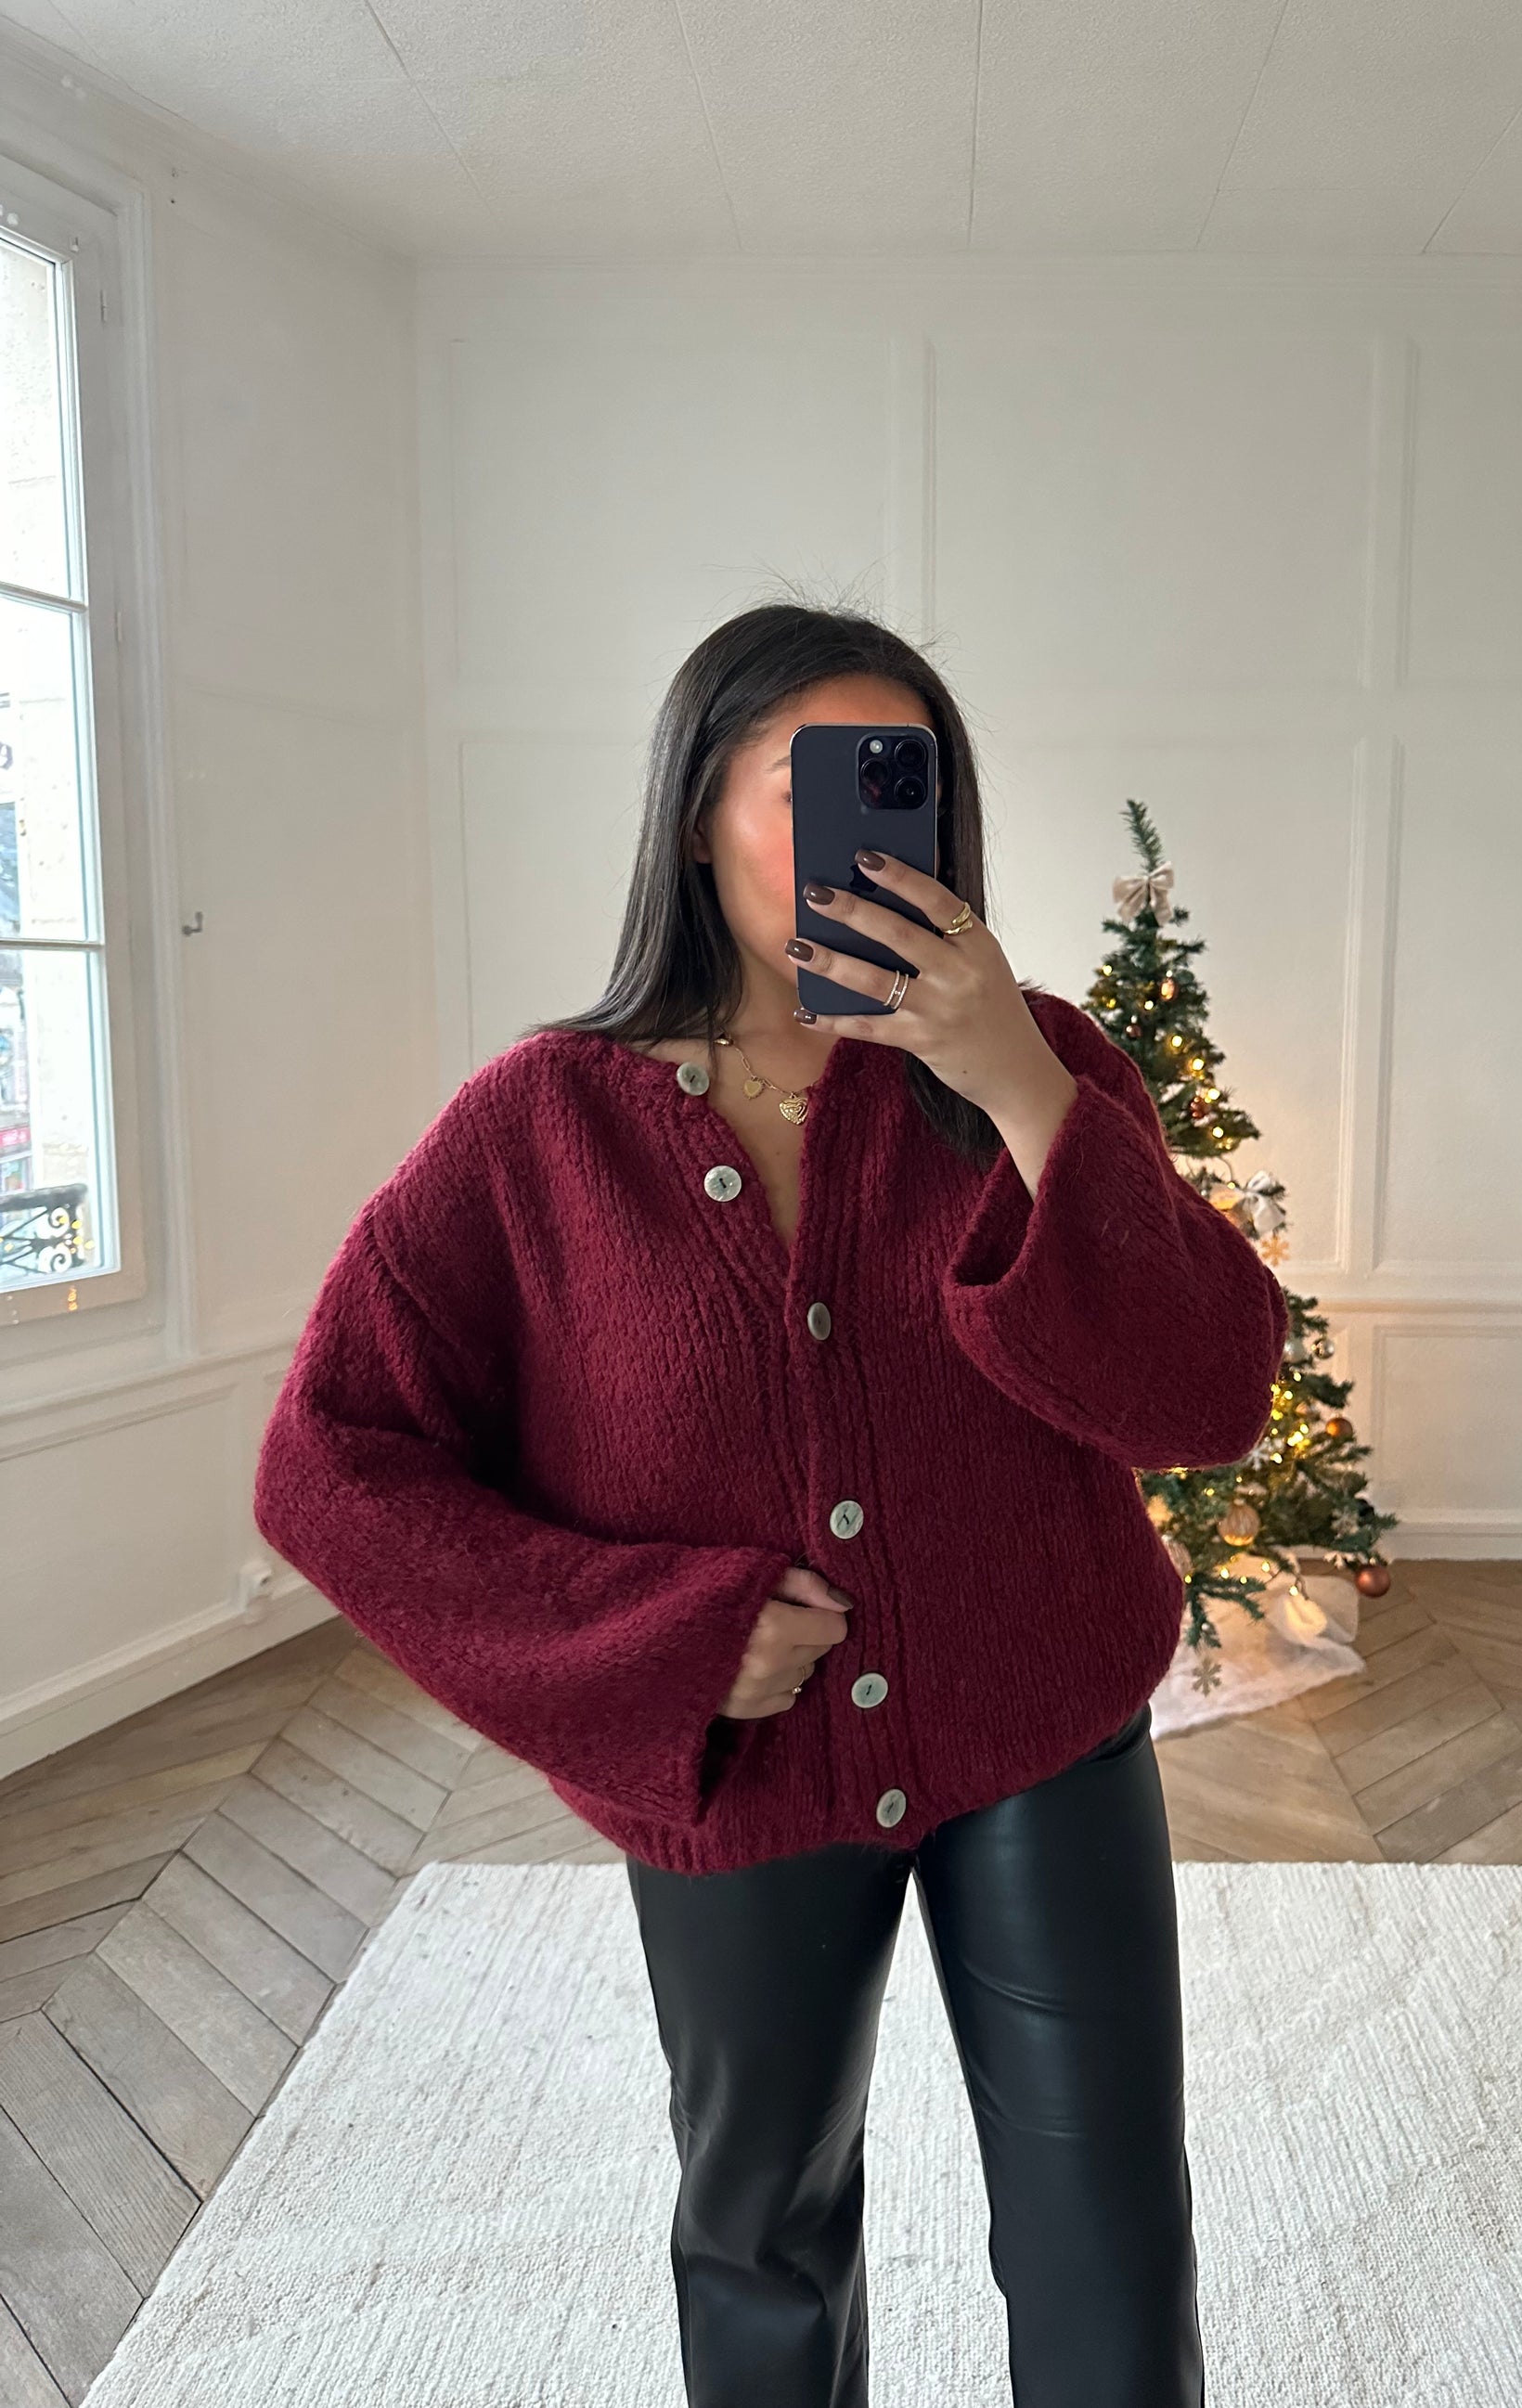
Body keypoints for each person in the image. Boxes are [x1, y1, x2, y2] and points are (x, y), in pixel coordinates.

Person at [252, 600, 1291, 2408]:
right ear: (691, 818)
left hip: (1044, 1726)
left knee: (1107, 2227)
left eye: (901, 786)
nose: (863, 836)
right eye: (810, 784)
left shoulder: (1034, 1067)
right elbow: (331, 1461)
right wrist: (656, 1644)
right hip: (744, 1766)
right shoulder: (534, 1133)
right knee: (759, 2232)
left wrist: (1020, 1085)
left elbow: (1208, 1394)